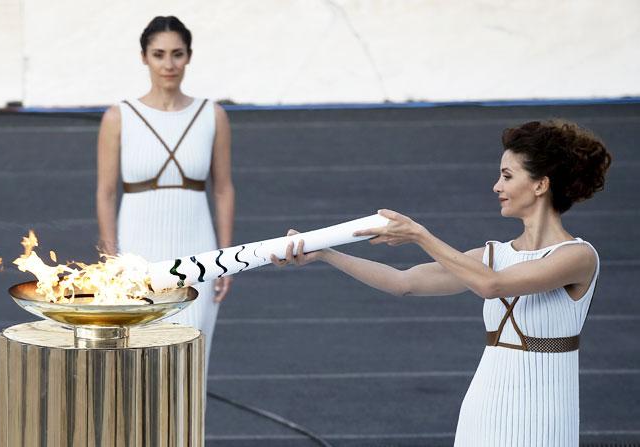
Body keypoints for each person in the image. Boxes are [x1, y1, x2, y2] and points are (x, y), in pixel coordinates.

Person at [272, 120, 611, 446]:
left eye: (507, 176)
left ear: (540, 185)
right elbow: (402, 282)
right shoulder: (491, 256)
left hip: (545, 415)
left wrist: (420, 235)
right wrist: (326, 254)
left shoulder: (578, 257)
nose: (497, 186)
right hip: (484, 408)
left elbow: (492, 286)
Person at [96, 16, 234, 376]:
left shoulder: (212, 115)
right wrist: (112, 260)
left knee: (191, 360)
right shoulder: (119, 117)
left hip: (198, 249)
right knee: (136, 361)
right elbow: (106, 192)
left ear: (189, 56)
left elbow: (222, 188)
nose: (169, 64)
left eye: (177, 54)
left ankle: (189, 435)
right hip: (137, 250)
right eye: (159, 54)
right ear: (144, 58)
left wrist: (227, 255)